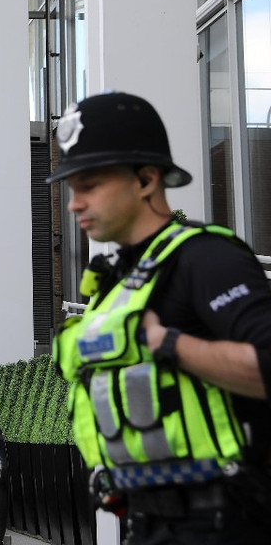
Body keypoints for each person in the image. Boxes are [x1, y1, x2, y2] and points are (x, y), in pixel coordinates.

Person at [48, 91, 271, 545]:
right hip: (148, 523)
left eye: (90, 185)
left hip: (228, 524)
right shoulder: (115, 283)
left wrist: (168, 344)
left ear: (146, 180)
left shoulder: (207, 259)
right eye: (72, 189)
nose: (74, 204)